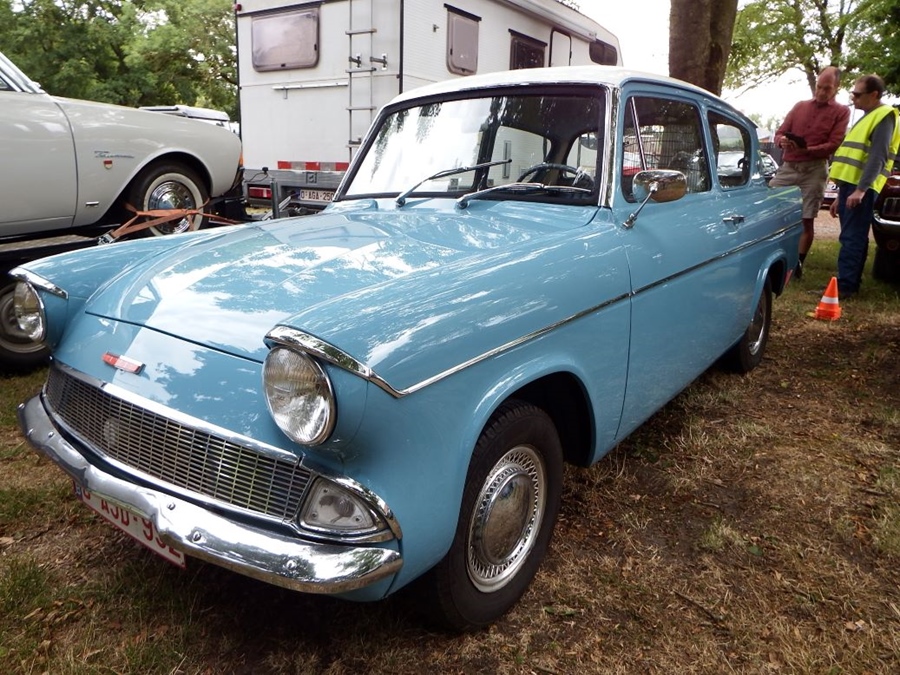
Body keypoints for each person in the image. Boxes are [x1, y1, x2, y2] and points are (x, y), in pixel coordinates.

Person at [770, 66, 850, 278]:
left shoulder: (842, 112)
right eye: (819, 87)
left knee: (806, 218)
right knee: (771, 207)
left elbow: (833, 143)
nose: (821, 92)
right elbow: (779, 132)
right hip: (788, 167)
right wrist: (782, 140)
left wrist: (807, 150)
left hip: (814, 170)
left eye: (827, 88)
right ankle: (772, 256)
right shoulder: (800, 106)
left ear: (837, 87)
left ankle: (797, 266)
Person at [828, 74, 900, 298]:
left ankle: (846, 286)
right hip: (851, 187)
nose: (854, 98)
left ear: (874, 94)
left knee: (853, 238)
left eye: (858, 94)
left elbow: (878, 157)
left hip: (861, 189)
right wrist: (841, 195)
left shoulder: (883, 116)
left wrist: (861, 189)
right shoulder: (868, 116)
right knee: (851, 236)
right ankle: (848, 283)